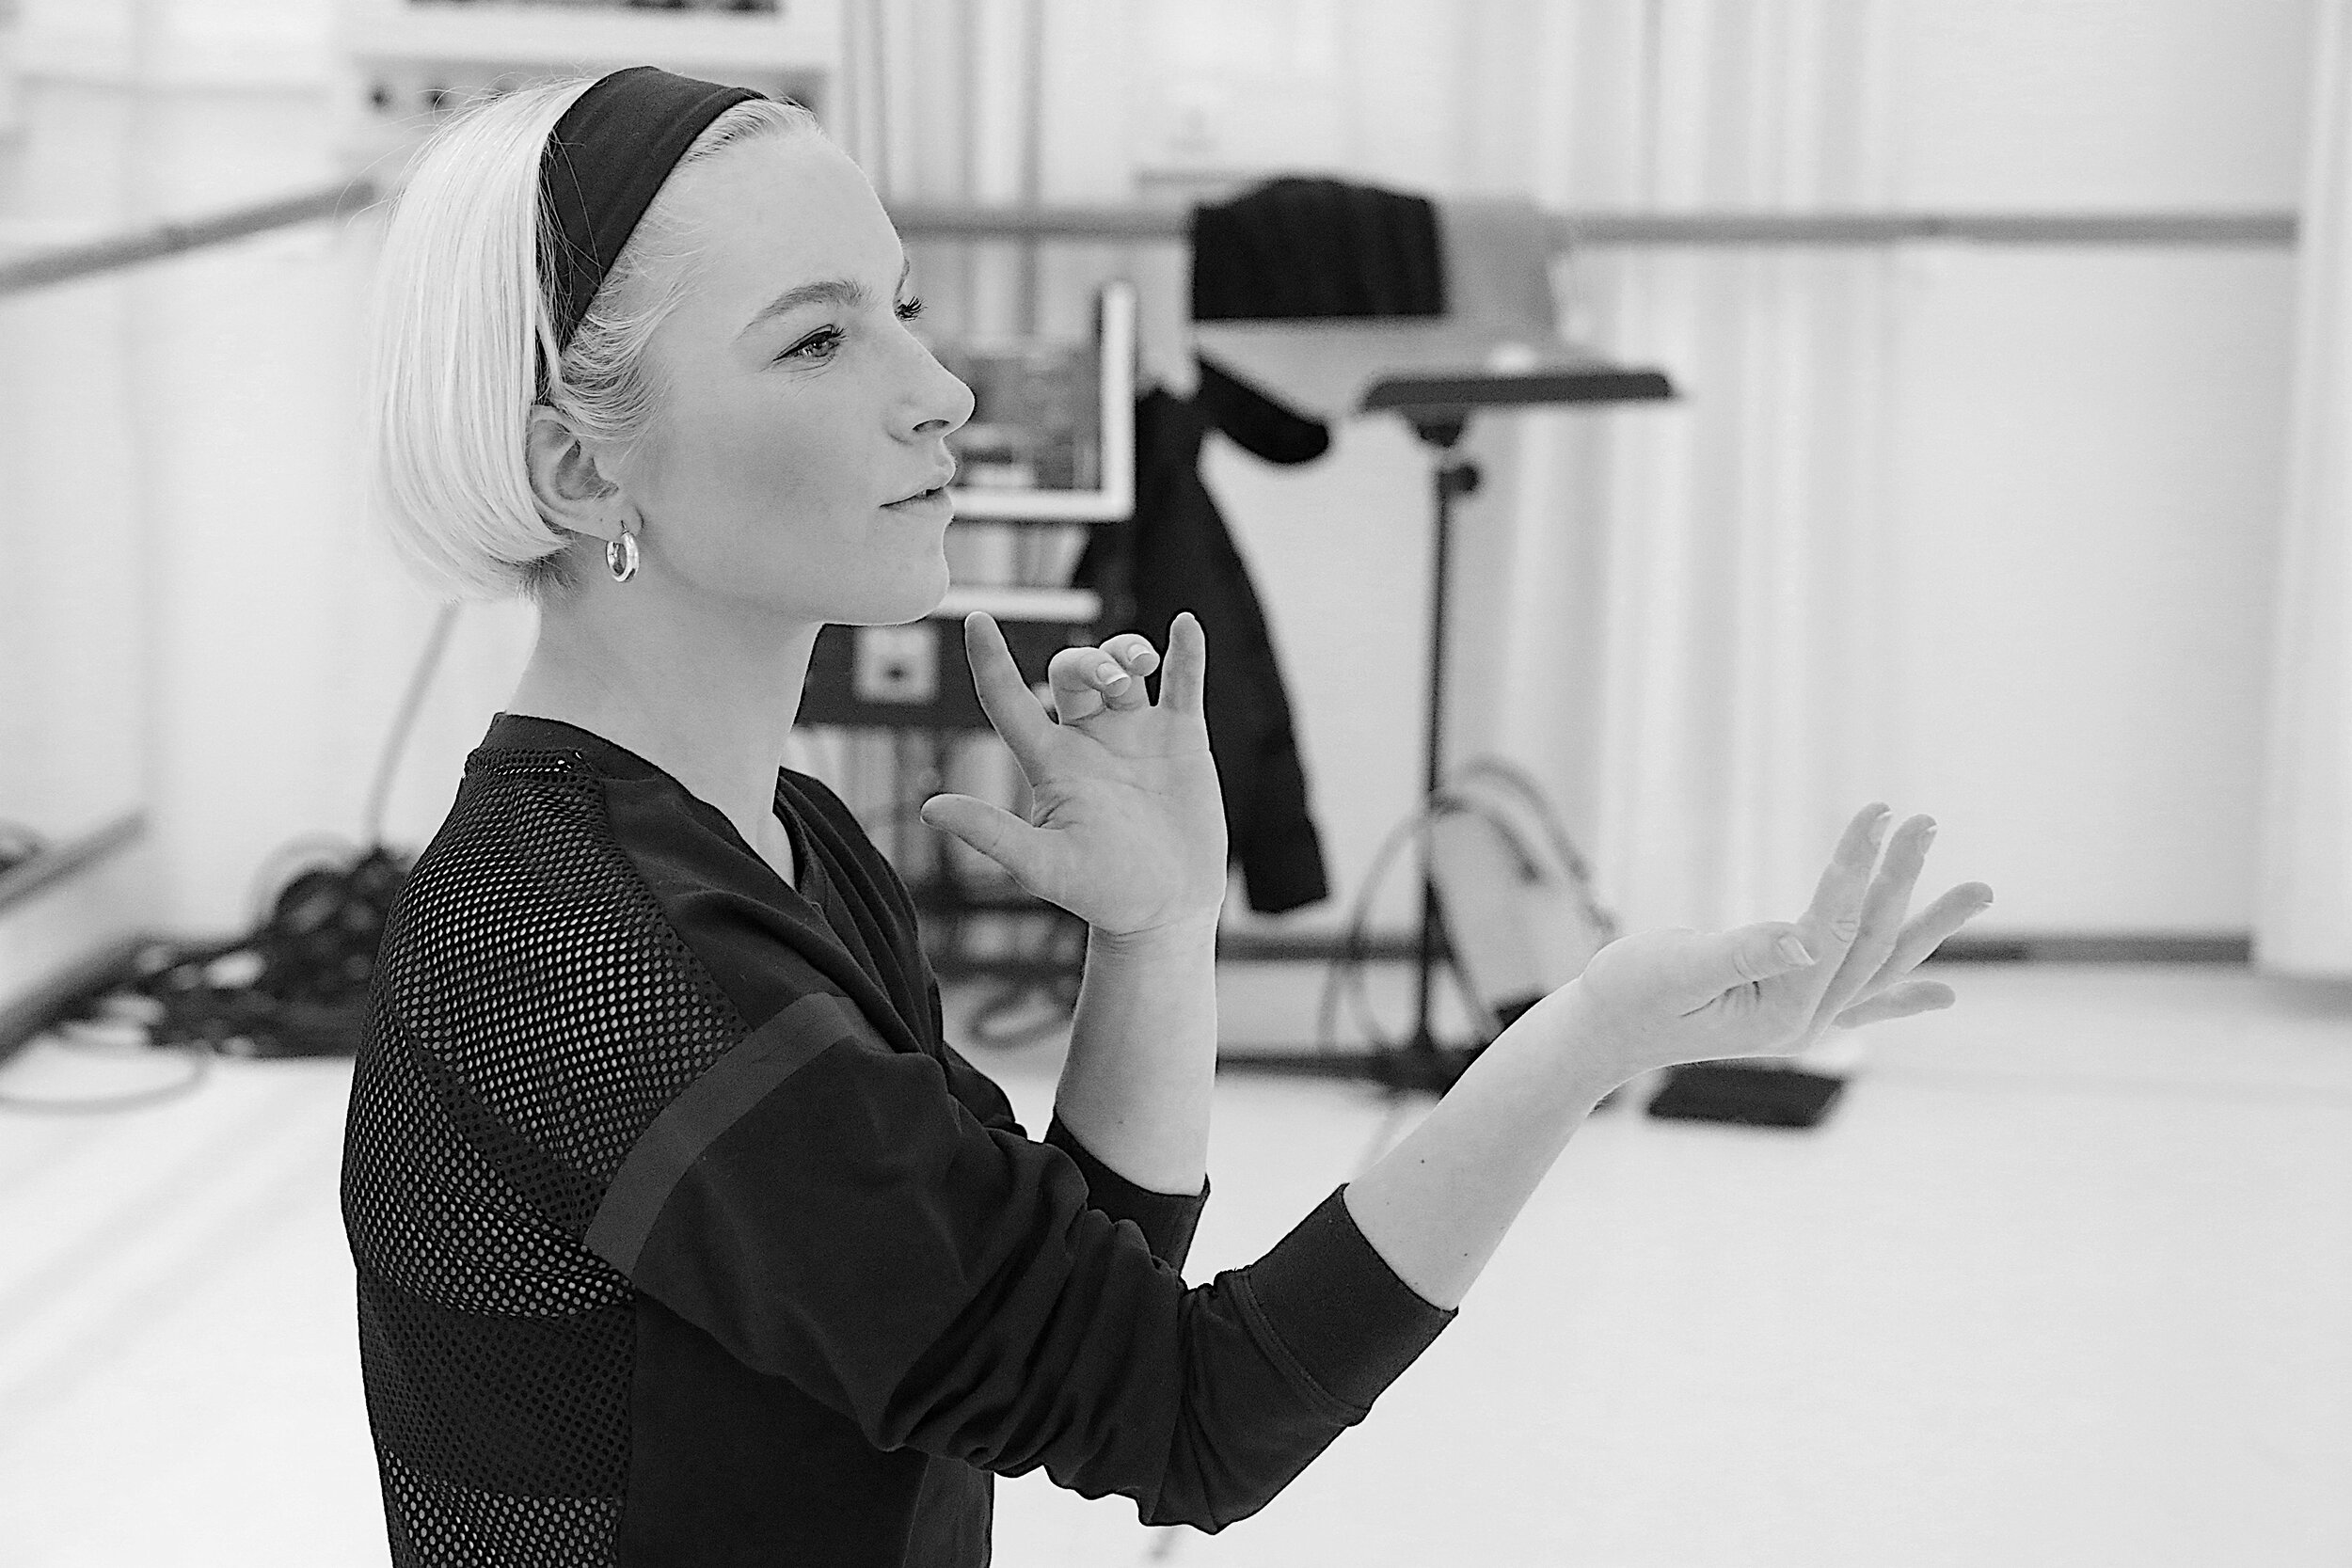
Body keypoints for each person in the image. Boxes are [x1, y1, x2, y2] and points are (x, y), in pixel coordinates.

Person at [340, 66, 1996, 1568]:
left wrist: (1153, 933)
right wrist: (1586, 1035)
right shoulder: (578, 952)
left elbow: (1040, 1324)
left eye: (906, 309)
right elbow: (1190, 1417)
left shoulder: (774, 842)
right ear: (580, 470)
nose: (941, 392)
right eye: (819, 340)